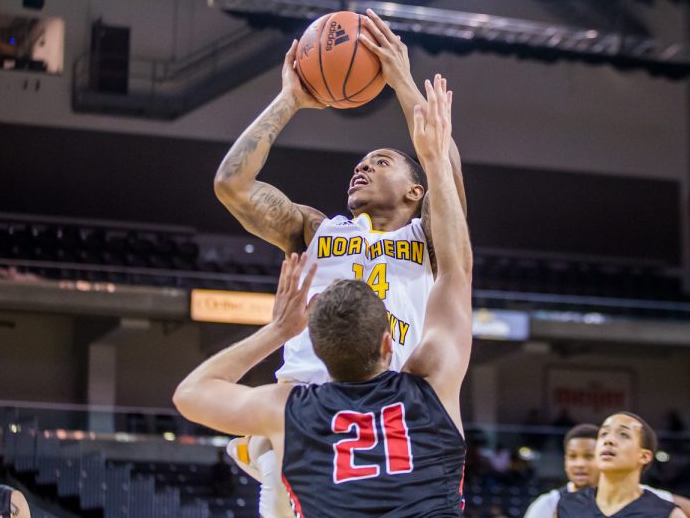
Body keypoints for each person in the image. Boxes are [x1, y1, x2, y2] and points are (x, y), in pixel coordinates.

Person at [176, 75, 471, 516]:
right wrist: (288, 100)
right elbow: (232, 186)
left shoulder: (427, 235)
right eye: (361, 164)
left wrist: (402, 80)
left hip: (391, 401)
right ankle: (266, 451)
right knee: (278, 485)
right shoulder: (316, 228)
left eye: (381, 161)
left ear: (416, 190)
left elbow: (446, 173)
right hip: (309, 399)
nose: (362, 167)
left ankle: (260, 448)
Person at [525, 424, 690, 518]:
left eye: (589, 457)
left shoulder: (642, 497)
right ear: (565, 462)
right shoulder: (547, 505)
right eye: (572, 457)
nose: (579, 464)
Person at [556, 413, 687, 518]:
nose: (608, 440)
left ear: (644, 456)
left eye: (623, 434)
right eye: (604, 434)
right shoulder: (567, 505)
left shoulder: (667, 513)